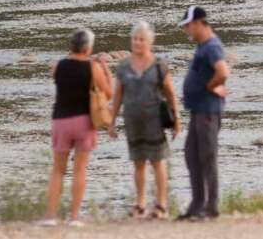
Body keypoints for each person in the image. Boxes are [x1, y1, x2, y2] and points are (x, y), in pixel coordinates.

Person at [39, 27, 113, 227]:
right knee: (80, 169)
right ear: (88, 48)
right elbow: (108, 93)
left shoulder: (57, 66)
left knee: (58, 170)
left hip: (61, 121)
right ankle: (74, 217)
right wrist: (105, 69)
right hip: (83, 122)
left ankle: (50, 216)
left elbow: (58, 79)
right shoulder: (92, 68)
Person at [109, 20, 182, 220]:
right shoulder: (123, 66)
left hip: (154, 121)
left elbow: (171, 94)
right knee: (138, 162)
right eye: (135, 39)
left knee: (158, 161)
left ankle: (161, 205)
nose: (137, 42)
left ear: (150, 41)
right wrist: (112, 122)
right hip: (132, 121)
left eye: (141, 39)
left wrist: (177, 119)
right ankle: (140, 205)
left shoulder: (159, 65)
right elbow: (117, 96)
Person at [177, 6, 229, 221]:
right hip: (198, 111)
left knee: (207, 157)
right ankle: (197, 205)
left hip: (208, 111)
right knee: (192, 155)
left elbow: (223, 72)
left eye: (187, 26)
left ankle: (211, 207)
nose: (186, 30)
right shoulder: (203, 46)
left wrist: (210, 87)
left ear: (199, 23)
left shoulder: (211, 46)